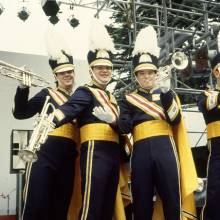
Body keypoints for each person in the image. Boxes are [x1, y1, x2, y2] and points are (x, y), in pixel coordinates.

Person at [118, 26, 198, 220]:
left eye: (150, 72)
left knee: (172, 198)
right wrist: (116, 119)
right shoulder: (127, 99)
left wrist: (166, 94)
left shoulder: (166, 93)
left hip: (166, 150)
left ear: (156, 73)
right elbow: (124, 127)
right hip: (141, 153)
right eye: (142, 73)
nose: (147, 77)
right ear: (136, 76)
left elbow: (175, 119)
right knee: (142, 202)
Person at [53, 18, 124, 220]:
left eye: (108, 68)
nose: (105, 71)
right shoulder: (85, 91)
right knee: (92, 205)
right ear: (91, 70)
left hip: (112, 153)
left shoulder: (111, 97)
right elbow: (69, 109)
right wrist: (51, 120)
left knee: (107, 206)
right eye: (99, 67)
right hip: (95, 151)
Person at [13, 27, 78, 220]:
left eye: (70, 71)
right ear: (55, 76)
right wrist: (23, 88)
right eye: (62, 73)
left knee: (61, 206)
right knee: (37, 203)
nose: (67, 75)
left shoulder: (78, 98)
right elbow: (21, 113)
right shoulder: (47, 94)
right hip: (45, 152)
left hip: (68, 158)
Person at [198, 32, 220, 220]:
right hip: (218, 150)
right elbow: (208, 106)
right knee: (215, 192)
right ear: (216, 72)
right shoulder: (208, 95)